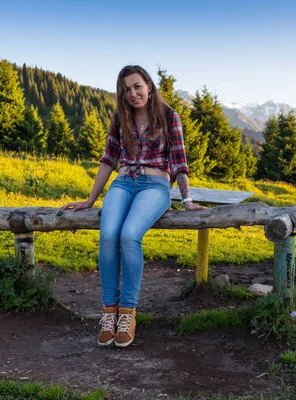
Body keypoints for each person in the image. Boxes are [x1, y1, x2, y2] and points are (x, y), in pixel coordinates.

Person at [63, 65, 206, 348]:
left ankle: (128, 312)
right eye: (126, 89)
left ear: (149, 86)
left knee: (129, 236)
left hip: (155, 186)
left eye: (137, 86)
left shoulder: (169, 117)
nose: (133, 93)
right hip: (123, 183)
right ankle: (109, 312)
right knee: (107, 236)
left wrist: (186, 199)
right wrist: (90, 200)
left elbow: (178, 162)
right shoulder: (120, 118)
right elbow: (109, 159)